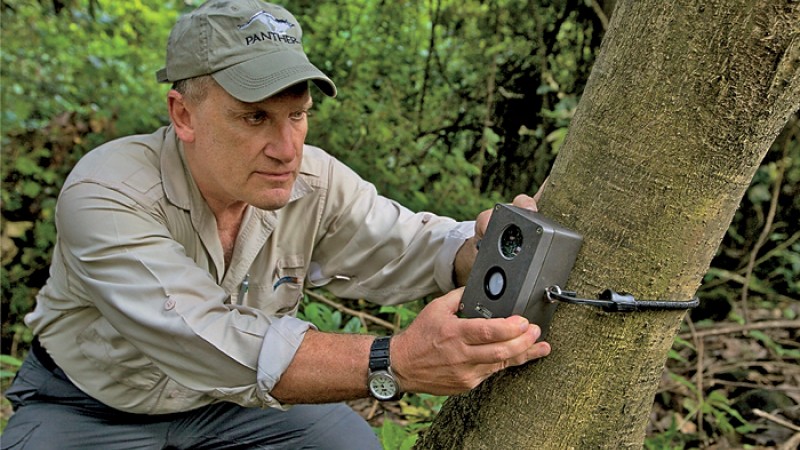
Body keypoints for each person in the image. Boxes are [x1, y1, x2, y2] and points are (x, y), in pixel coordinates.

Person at [1, 0, 551, 448]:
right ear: (183, 114)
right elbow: (204, 338)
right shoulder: (108, 191)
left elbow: (405, 244)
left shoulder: (313, 180)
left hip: (236, 409)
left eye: (297, 115)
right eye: (254, 117)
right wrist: (397, 362)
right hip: (90, 405)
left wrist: (481, 249)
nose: (287, 149)